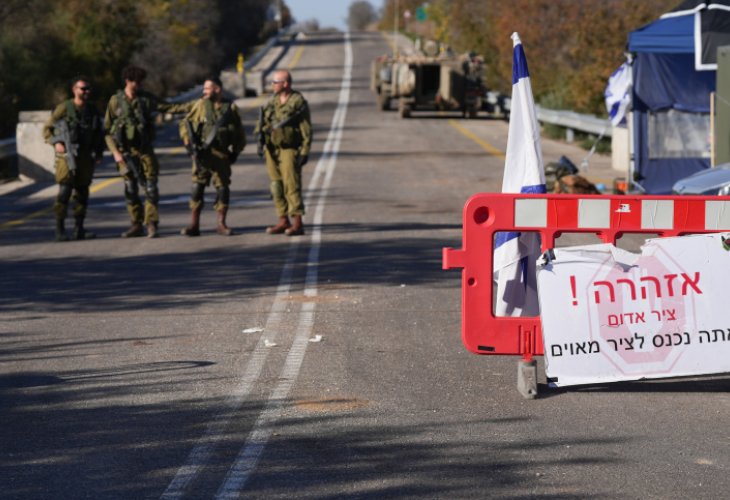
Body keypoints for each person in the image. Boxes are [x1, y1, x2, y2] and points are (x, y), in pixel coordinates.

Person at [104, 65, 191, 238]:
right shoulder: (115, 102)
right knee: (130, 189)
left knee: (151, 188)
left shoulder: (146, 100)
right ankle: (135, 224)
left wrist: (194, 105)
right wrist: (115, 152)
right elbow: (107, 131)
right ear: (128, 81)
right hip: (125, 153)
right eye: (137, 82)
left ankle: (151, 223)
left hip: (145, 151)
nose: (140, 85)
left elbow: (168, 108)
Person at [179, 77, 246, 236]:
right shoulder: (201, 105)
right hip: (202, 154)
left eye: (207, 88)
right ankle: (194, 224)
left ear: (218, 89)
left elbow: (239, 133)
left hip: (222, 154)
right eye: (204, 89)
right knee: (197, 187)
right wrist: (189, 145)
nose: (204, 92)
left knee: (222, 188)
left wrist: (235, 152)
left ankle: (221, 224)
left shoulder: (230, 108)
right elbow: (185, 124)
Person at [43, 76, 104, 241]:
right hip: (67, 156)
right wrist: (56, 143)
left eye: (87, 89)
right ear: (74, 90)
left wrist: (99, 153)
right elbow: (48, 129)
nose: (85, 92)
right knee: (64, 191)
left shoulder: (92, 110)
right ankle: (60, 229)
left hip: (85, 156)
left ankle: (79, 228)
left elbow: (99, 133)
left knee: (83, 192)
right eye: (82, 89)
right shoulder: (64, 108)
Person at [255, 69, 312, 236]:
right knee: (276, 186)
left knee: (291, 185)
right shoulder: (272, 101)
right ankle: (282, 220)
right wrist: (260, 142)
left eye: (275, 82)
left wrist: (304, 151)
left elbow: (306, 129)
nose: (272, 85)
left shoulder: (297, 102)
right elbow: (262, 123)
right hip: (272, 149)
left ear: (285, 84)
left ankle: (297, 222)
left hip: (289, 148)